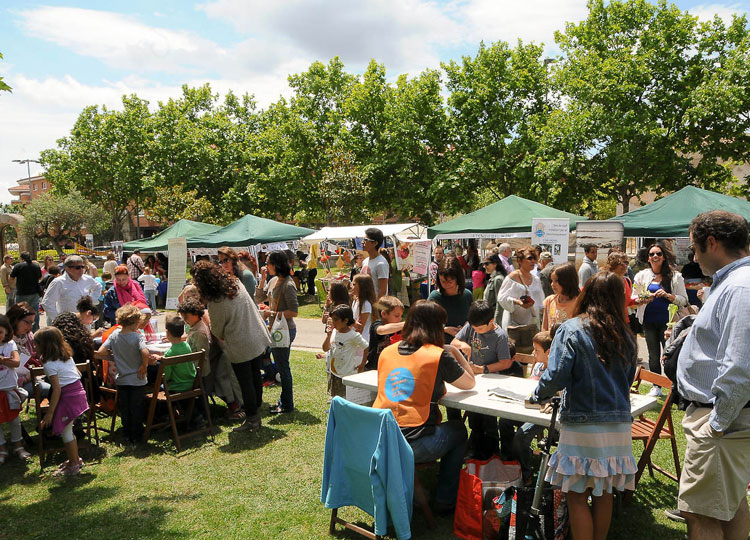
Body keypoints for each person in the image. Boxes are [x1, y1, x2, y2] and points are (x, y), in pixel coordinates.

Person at [532, 272, 638, 540]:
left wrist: (537, 395)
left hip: (582, 423)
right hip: (618, 424)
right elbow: (626, 381)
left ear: (586, 293)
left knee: (576, 495)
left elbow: (556, 374)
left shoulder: (572, 328)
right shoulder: (625, 334)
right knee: (604, 494)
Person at [676, 210, 750, 540]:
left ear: (712, 243)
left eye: (694, 248)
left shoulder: (739, 288)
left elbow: (740, 366)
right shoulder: (735, 283)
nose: (693, 257)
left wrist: (716, 424)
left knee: (700, 512)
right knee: (729, 504)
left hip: (722, 421)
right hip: (724, 419)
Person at [373, 300, 476, 512]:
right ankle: (445, 499)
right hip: (412, 443)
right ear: (436, 327)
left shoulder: (387, 352)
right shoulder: (438, 355)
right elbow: (470, 383)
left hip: (381, 438)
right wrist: (455, 352)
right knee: (458, 430)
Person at [193, 260, 271, 432]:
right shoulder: (235, 283)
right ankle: (256, 411)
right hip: (256, 336)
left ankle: (252, 419)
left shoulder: (216, 301)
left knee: (246, 382)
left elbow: (218, 330)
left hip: (240, 344)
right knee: (255, 376)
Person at [451, 301, 521, 459]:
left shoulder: (500, 336)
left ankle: (492, 450)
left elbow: (505, 362)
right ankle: (476, 445)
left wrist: (484, 369)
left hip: (491, 381)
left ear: (490, 322)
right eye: (473, 327)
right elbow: (454, 342)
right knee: (474, 417)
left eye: (479, 328)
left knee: (488, 419)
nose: (476, 330)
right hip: (474, 380)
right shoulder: (472, 325)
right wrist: (462, 344)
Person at [632, 241, 687, 396]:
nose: (655, 256)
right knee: (653, 355)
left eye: (658, 254)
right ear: (648, 258)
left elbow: (683, 300)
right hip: (649, 321)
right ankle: (656, 386)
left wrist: (669, 296)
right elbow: (633, 298)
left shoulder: (675, 276)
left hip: (669, 323)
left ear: (663, 257)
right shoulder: (642, 275)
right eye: (652, 254)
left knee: (670, 355)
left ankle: (675, 386)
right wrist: (643, 298)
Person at [35, 326, 89, 476]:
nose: (35, 347)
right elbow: (77, 373)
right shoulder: (67, 357)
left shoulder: (49, 364)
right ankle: (74, 460)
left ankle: (74, 465)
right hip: (78, 392)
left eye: (37, 344)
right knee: (68, 430)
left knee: (66, 432)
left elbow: (57, 389)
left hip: (68, 397)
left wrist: (49, 414)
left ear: (45, 345)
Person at [95, 304, 152, 444]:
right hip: (137, 379)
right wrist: (144, 365)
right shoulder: (137, 336)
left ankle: (127, 434)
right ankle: (137, 435)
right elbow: (145, 352)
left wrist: (114, 356)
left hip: (121, 379)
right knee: (137, 407)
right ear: (135, 322)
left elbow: (100, 352)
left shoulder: (114, 335)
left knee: (125, 408)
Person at [256, 251, 298, 415]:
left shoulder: (288, 284)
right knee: (281, 365)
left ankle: (287, 404)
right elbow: (258, 298)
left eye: (268, 262)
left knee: (282, 367)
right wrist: (262, 279)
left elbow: (294, 312)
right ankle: (284, 401)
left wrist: (271, 314)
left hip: (285, 330)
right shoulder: (273, 280)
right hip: (276, 330)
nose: (266, 265)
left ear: (277, 264)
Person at [513, 330, 556, 484]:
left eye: (536, 350)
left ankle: (526, 473)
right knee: (504, 422)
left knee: (521, 435)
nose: (533, 353)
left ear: (549, 352)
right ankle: (511, 462)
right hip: (529, 408)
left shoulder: (555, 371)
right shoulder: (538, 366)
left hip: (544, 413)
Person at [0, 313, 32, 465]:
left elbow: (16, 362)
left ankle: (18, 446)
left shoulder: (9, 345)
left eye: (0, 332)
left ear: (6, 331)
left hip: (10, 388)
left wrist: (3, 360)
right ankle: (2, 448)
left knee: (14, 420)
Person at [322, 305, 369, 398]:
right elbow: (325, 348)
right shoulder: (334, 331)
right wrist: (328, 336)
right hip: (335, 372)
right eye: (332, 319)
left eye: (336, 319)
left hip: (347, 374)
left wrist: (363, 364)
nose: (333, 322)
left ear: (346, 320)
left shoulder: (353, 335)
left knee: (346, 398)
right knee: (335, 397)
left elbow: (366, 347)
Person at [41, 255, 102, 323]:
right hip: (68, 324)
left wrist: (91, 301)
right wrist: (59, 319)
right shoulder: (58, 282)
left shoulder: (87, 279)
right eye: (78, 267)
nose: (81, 270)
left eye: (82, 267)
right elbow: (47, 302)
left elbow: (98, 286)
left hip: (85, 322)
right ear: (67, 268)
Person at [7, 302, 49, 400]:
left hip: (31, 378)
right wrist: (25, 379)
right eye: (27, 322)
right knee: (49, 389)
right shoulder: (5, 341)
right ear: (15, 320)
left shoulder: (28, 336)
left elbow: (36, 354)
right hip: (11, 385)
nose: (30, 327)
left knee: (57, 382)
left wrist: (42, 359)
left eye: (32, 323)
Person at [428, 256, 474, 344]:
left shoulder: (467, 295)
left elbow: (472, 318)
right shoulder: (434, 297)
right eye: (443, 281)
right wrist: (444, 329)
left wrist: (465, 327)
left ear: (458, 278)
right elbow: (424, 323)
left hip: (463, 344)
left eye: (450, 281)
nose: (446, 285)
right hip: (441, 345)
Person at [497, 246, 545, 330]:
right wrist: (517, 302)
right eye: (529, 258)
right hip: (515, 325)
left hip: (533, 323)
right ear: (519, 260)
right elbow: (501, 298)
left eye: (534, 258)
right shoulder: (512, 277)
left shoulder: (536, 279)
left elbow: (541, 301)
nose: (533, 261)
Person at [152, 314, 195, 393]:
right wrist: (162, 358)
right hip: (191, 383)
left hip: (177, 386)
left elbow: (166, 376)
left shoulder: (169, 353)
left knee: (156, 385)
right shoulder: (186, 346)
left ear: (168, 333)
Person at [365, 296, 405, 371]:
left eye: (401, 316)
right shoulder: (376, 325)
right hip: (374, 368)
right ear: (384, 314)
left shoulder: (398, 328)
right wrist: (406, 324)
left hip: (390, 368)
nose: (400, 319)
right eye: (396, 315)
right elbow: (382, 330)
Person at [542, 263, 580, 331]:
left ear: (567, 281)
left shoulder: (578, 303)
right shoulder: (549, 301)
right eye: (551, 281)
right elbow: (544, 327)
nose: (552, 284)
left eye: (556, 281)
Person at [11, 252, 43, 331]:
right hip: (34, 292)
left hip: (22, 292)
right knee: (34, 312)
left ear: (22, 258)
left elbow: (11, 277)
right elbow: (40, 277)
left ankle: (19, 329)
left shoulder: (18, 266)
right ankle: (34, 330)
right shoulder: (36, 266)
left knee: (20, 312)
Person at [351, 274, 375, 368]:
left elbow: (360, 326)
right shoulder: (356, 301)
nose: (351, 286)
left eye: (354, 284)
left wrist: (348, 320)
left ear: (362, 287)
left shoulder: (365, 304)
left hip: (361, 341)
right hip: (356, 339)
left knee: (357, 366)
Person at [360, 228, 389, 300]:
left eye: (366, 240)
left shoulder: (381, 264)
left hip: (374, 306)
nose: (362, 242)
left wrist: (376, 308)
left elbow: (383, 291)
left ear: (375, 243)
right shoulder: (365, 261)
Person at [607, 251, 637, 319]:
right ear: (613, 265)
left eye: (626, 263)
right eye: (621, 263)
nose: (625, 265)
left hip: (624, 320)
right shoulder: (605, 280)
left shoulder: (627, 281)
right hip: (609, 321)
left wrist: (638, 301)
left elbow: (628, 302)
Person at [482, 253, 508, 325]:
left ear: (495, 264)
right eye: (483, 264)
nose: (484, 266)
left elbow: (499, 304)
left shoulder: (498, 279)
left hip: (493, 319)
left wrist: (496, 323)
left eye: (487, 264)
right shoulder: (493, 278)